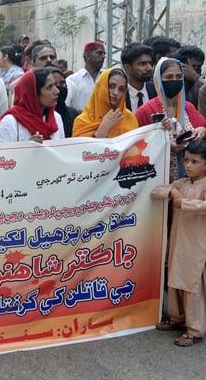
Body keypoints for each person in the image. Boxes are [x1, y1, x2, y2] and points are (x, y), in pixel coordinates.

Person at [151, 140, 206, 347]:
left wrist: (186, 203)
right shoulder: (182, 184)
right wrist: (173, 192)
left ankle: (195, 330)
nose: (189, 165)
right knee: (174, 280)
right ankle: (177, 319)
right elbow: (156, 192)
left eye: (195, 161)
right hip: (178, 243)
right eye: (187, 160)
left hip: (197, 244)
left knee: (192, 285)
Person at [135, 58, 206, 182]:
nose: (174, 80)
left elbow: (202, 129)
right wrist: (166, 145)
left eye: (178, 76)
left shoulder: (188, 107)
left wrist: (202, 131)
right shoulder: (146, 110)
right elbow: (136, 146)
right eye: (169, 77)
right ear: (158, 80)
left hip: (189, 180)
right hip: (157, 178)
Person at [0, 68, 65, 143]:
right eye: (49, 87)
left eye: (55, 85)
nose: (57, 91)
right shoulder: (11, 122)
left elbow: (61, 152)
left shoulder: (56, 118)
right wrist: (27, 147)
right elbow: (0, 154)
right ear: (33, 94)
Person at [73, 68, 138, 138]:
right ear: (101, 86)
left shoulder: (129, 119)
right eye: (111, 86)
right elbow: (78, 148)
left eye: (121, 89)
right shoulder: (82, 121)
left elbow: (137, 147)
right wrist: (102, 131)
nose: (116, 92)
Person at [67, 42, 106, 111]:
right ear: (87, 55)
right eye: (99, 53)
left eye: (104, 54)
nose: (103, 57)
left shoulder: (108, 77)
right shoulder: (72, 80)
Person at [121, 43, 156, 112]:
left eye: (150, 63)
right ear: (127, 68)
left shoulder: (156, 91)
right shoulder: (119, 93)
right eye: (142, 64)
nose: (149, 68)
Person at [50, 67, 80, 137]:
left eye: (62, 83)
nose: (58, 88)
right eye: (54, 85)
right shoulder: (41, 116)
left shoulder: (73, 114)